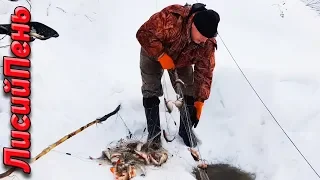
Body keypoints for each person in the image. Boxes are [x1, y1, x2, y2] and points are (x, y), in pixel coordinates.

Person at [136, 3, 220, 149]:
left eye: (208, 37)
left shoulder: (206, 43)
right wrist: (161, 55)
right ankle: (154, 134)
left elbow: (205, 71)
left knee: (189, 91)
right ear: (193, 24)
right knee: (151, 88)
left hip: (182, 60)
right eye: (202, 35)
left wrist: (200, 100)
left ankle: (185, 130)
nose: (204, 40)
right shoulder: (173, 19)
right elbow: (143, 33)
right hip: (153, 50)